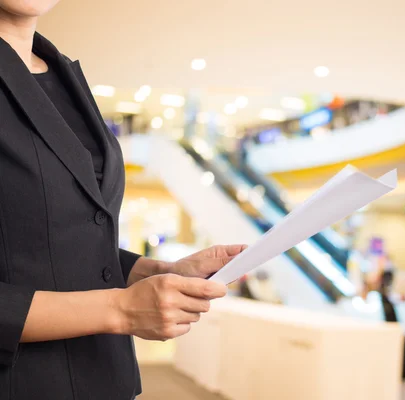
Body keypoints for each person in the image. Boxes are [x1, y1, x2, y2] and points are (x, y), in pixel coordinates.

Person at [0, 3, 246, 399]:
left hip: (104, 378)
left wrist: (151, 271)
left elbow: (46, 241)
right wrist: (121, 309)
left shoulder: (60, 73)